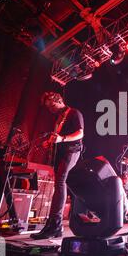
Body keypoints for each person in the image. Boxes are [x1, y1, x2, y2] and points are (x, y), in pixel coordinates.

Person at [31, 92, 84, 239]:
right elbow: (57, 137)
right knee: (59, 183)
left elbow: (80, 133)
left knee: (60, 182)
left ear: (59, 100)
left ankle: (55, 224)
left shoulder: (74, 113)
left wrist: (63, 139)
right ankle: (55, 226)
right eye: (48, 108)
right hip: (61, 153)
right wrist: (49, 142)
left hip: (72, 151)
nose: (51, 110)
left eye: (52, 106)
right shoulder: (59, 118)